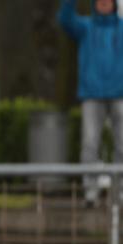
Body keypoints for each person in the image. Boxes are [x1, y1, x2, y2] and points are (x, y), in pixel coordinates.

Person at [58, 0, 123, 205]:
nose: (104, 3)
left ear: (114, 4)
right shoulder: (85, 27)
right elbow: (65, 20)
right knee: (89, 143)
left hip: (120, 94)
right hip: (91, 94)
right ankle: (91, 193)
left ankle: (120, 191)